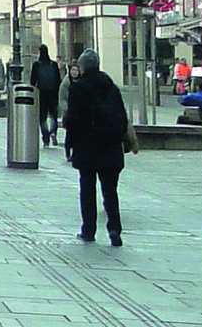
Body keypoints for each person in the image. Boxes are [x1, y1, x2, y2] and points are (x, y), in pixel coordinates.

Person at [64, 50, 137, 245]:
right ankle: (114, 229)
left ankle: (88, 230)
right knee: (110, 191)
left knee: (87, 189)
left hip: (87, 146)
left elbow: (73, 119)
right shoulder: (111, 87)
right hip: (111, 147)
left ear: (83, 67)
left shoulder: (78, 88)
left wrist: (69, 144)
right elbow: (122, 116)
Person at [30, 43, 63, 146]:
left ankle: (46, 138)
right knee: (53, 115)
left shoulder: (36, 65)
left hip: (41, 94)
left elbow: (32, 81)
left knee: (42, 117)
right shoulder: (53, 64)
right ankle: (53, 132)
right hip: (53, 94)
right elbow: (58, 80)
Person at [58, 62, 81, 160]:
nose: (75, 72)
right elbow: (62, 98)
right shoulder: (66, 83)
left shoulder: (82, 82)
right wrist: (67, 108)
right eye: (73, 70)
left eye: (76, 70)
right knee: (70, 133)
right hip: (70, 113)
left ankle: (76, 152)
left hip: (80, 112)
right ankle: (68, 152)